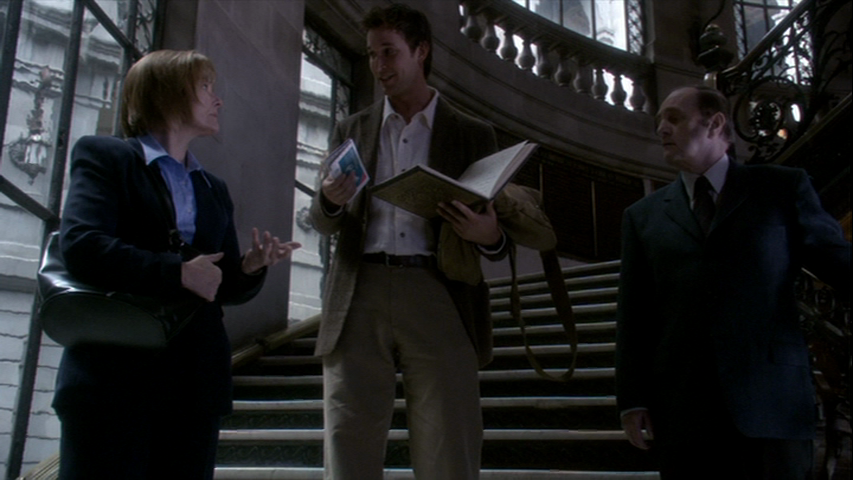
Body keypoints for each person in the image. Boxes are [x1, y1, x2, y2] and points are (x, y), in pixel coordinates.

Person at [309, 4, 554, 480]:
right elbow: (323, 221)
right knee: (348, 440)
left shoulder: (471, 133)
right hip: (359, 291)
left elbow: (496, 237)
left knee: (449, 443)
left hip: (441, 292)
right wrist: (330, 201)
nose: (378, 65)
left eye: (389, 52)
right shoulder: (350, 129)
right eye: (372, 54)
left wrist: (488, 235)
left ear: (421, 51)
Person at [53, 50, 300, 479]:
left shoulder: (213, 188)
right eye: (205, 86)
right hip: (112, 379)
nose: (218, 99)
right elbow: (81, 244)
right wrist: (177, 271)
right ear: (167, 93)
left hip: (194, 385)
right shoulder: (106, 156)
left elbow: (220, 286)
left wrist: (250, 268)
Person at [615, 85, 851, 479]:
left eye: (674, 118)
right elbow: (634, 313)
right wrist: (632, 399)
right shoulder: (642, 216)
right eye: (659, 121)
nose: (661, 129)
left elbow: (835, 260)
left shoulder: (781, 188)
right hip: (683, 409)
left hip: (771, 402)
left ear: (714, 123)